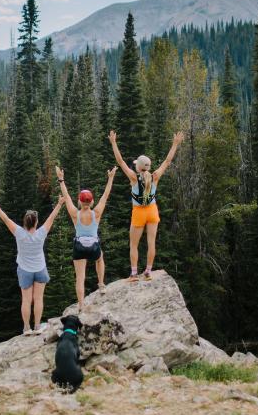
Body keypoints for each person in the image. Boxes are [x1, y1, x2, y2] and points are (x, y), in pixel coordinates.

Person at [109, 129, 184, 282]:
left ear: (138, 167)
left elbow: (120, 161)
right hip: (152, 210)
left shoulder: (134, 178)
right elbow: (167, 161)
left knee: (134, 244)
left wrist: (113, 143)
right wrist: (175, 144)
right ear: (148, 167)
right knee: (151, 242)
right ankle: (148, 272)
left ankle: (134, 274)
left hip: (139, 212)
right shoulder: (155, 176)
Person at [0, 195, 61, 335]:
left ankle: (26, 328)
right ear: (36, 223)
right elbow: (52, 217)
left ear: (24, 222)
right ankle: (38, 326)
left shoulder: (19, 233)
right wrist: (60, 203)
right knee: (38, 299)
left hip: (24, 270)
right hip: (40, 269)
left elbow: (5, 219)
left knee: (26, 300)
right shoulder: (41, 233)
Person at [55, 164, 116, 310]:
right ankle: (101, 284)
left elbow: (67, 197)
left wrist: (61, 180)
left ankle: (81, 304)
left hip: (79, 247)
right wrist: (110, 178)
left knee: (80, 277)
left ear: (80, 201)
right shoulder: (97, 213)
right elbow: (105, 195)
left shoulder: (75, 214)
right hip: (93, 247)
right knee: (100, 258)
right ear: (92, 201)